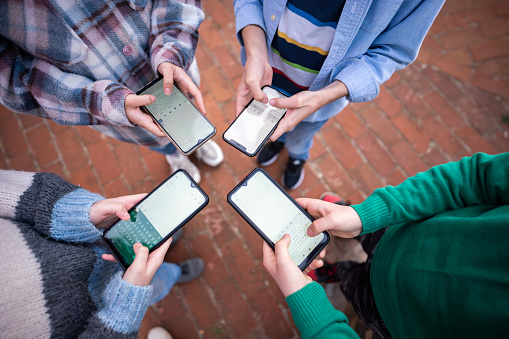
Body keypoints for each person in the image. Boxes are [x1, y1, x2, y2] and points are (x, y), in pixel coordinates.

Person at [263, 152, 508, 338]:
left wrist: (304, 300)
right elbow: (476, 177)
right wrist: (364, 215)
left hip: (388, 315)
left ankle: (338, 272)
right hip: (401, 231)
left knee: (351, 281)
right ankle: (351, 218)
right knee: (361, 228)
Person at [0, 0, 223, 183]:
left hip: (175, 74)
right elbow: (13, 79)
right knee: (155, 139)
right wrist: (102, 102)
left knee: (190, 116)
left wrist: (172, 48)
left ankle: (197, 140)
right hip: (112, 110)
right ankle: (175, 156)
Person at [233, 0, 444, 189]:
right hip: (269, 76)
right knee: (276, 125)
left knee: (301, 135)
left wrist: (325, 96)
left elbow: (393, 50)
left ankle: (297, 156)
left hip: (320, 99)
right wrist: (256, 53)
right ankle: (280, 143)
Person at [0, 170, 203, 338]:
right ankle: (173, 273)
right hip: (112, 301)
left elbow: (16, 193)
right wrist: (129, 300)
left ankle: (159, 242)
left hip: (92, 236)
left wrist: (81, 213)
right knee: (155, 282)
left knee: (143, 244)